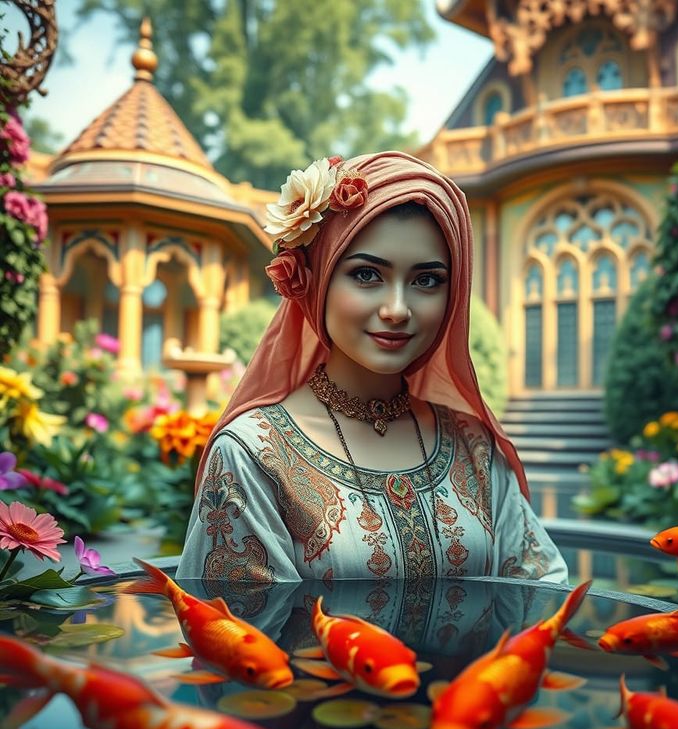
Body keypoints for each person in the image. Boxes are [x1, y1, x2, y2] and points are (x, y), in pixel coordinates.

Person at [177, 151, 567, 588]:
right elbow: (238, 634)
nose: (397, 309)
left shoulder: (473, 447)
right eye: (366, 275)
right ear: (318, 279)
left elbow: (539, 594)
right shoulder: (255, 454)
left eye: (427, 280)